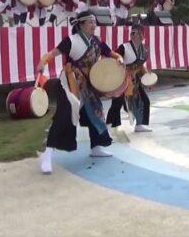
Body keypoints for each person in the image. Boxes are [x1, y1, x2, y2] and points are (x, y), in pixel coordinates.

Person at [34, 11, 124, 174]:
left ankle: (96, 148)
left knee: (95, 114)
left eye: (94, 22)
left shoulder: (96, 42)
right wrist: (42, 62)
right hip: (70, 83)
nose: (93, 25)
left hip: (88, 85)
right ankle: (47, 155)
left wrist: (119, 59)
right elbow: (52, 53)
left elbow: (112, 54)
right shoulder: (71, 41)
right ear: (81, 25)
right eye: (90, 22)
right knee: (64, 116)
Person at [106, 24, 153, 133]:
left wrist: (147, 78)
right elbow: (114, 61)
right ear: (133, 34)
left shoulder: (143, 49)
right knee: (117, 103)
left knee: (144, 101)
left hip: (134, 80)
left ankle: (141, 124)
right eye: (139, 33)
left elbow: (140, 66)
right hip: (122, 79)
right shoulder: (124, 47)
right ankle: (109, 126)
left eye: (143, 33)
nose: (142, 36)